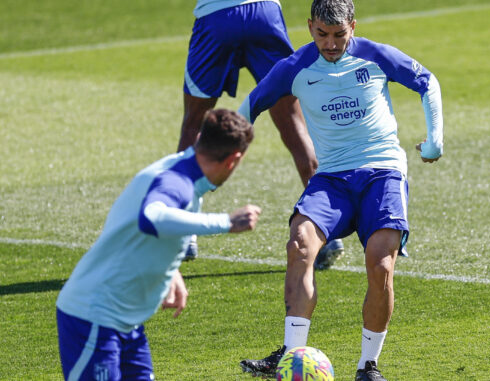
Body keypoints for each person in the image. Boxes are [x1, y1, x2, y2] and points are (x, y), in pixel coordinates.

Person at [237, 0, 443, 379]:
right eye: (321, 34)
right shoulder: (295, 66)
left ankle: (368, 366)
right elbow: (251, 105)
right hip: (331, 177)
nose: (330, 44)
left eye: (339, 35)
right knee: (300, 244)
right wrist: (230, 149)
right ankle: (291, 355)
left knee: (381, 262)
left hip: (383, 172)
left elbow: (427, 81)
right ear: (310, 26)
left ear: (353, 25)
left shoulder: (375, 56)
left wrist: (434, 141)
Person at [56, 109, 261, 380]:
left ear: (200, 137)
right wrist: (225, 222)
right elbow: (151, 217)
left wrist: (171, 270)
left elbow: (132, 226)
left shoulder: (181, 171)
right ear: (234, 160)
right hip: (93, 320)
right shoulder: (178, 182)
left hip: (126, 324)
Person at [179, 0, 344, 267]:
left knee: (194, 124)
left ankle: (184, 234)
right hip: (264, 14)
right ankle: (331, 230)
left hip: (216, 17)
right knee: (292, 120)